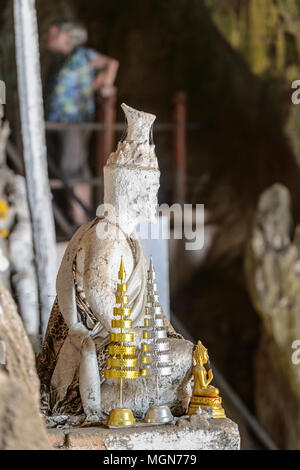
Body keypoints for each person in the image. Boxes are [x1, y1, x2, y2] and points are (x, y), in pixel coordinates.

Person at [45, 20, 119, 226]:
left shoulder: (83, 55)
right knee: (69, 166)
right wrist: (91, 86)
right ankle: (79, 216)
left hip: (74, 121)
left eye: (55, 32)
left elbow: (111, 63)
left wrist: (105, 86)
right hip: (58, 121)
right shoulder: (61, 60)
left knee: (71, 167)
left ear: (69, 36)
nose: (50, 35)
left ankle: (81, 219)